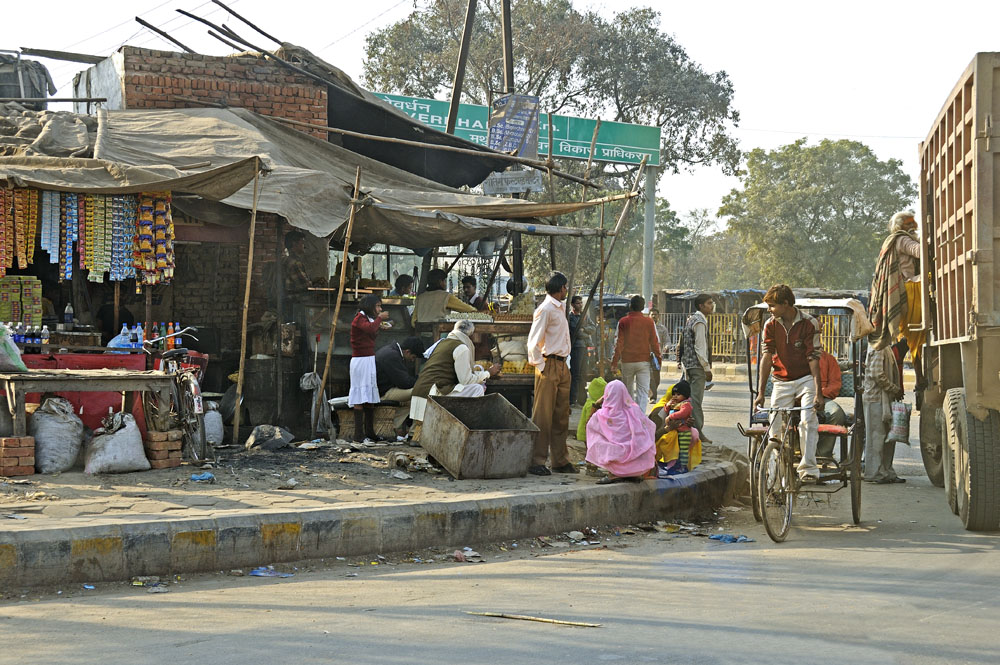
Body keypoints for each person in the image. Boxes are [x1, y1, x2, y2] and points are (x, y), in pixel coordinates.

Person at [753, 284, 824, 483]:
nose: (769, 310)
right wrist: (760, 393)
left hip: (805, 379)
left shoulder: (809, 323)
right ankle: (775, 476)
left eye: (773, 305)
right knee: (775, 429)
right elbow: (767, 356)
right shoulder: (770, 325)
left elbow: (814, 358)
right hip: (781, 381)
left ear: (786, 304)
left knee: (808, 420)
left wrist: (818, 392)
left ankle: (808, 469)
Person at [526, 271, 575, 476]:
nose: (566, 290)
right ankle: (537, 460)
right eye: (564, 287)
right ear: (560, 288)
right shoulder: (545, 309)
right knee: (543, 416)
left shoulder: (559, 307)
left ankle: (559, 460)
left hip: (562, 365)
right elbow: (533, 342)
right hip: (549, 364)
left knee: (561, 416)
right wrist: (542, 365)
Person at [869, 209, 926, 384]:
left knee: (910, 338)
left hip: (903, 292)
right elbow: (919, 252)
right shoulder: (902, 239)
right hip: (909, 290)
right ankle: (919, 376)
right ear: (900, 226)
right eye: (909, 224)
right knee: (915, 336)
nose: (913, 226)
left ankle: (918, 376)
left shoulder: (892, 241)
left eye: (913, 223)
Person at [409, 319, 500, 424]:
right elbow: (466, 380)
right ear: (470, 336)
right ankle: (466, 424)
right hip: (434, 392)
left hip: (420, 390)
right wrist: (488, 373)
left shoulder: (441, 343)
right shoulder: (461, 347)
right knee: (477, 389)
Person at [585, 380, 656, 484]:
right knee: (645, 438)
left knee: (595, 437)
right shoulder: (635, 410)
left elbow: (588, 425)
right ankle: (632, 472)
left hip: (615, 454)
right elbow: (649, 427)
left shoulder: (601, 415)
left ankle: (615, 473)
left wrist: (596, 405)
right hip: (636, 453)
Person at [862, 338, 908, 484]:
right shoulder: (878, 347)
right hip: (876, 398)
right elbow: (877, 374)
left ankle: (887, 471)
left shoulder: (885, 346)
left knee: (888, 437)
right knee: (877, 436)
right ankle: (875, 472)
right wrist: (893, 388)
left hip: (885, 398)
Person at [349, 294, 390, 443]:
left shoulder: (367, 319)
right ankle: (358, 434)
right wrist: (380, 319)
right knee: (360, 396)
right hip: (360, 361)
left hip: (368, 359)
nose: (380, 309)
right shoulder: (359, 318)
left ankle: (370, 432)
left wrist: (378, 325)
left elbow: (370, 332)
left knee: (369, 396)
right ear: (370, 306)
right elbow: (368, 328)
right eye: (378, 306)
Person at [610, 295, 661, 407]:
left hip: (627, 362)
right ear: (643, 308)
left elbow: (618, 343)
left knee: (627, 392)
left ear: (630, 306)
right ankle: (640, 418)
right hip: (644, 362)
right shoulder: (649, 322)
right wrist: (658, 360)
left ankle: (629, 416)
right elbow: (655, 343)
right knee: (642, 393)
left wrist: (614, 362)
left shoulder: (623, 321)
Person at [678, 294, 715, 443]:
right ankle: (698, 433)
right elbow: (700, 347)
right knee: (696, 402)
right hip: (697, 366)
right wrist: (706, 368)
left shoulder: (691, 319)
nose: (712, 306)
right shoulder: (699, 322)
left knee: (690, 400)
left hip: (688, 365)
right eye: (709, 303)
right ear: (701, 306)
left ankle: (691, 431)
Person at [375, 336, 425, 438]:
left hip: (382, 389)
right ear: (407, 351)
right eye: (413, 357)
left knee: (411, 402)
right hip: (383, 392)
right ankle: (414, 434)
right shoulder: (392, 356)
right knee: (421, 392)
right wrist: (422, 380)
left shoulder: (391, 351)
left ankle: (389, 426)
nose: (412, 360)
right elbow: (404, 383)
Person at [653, 380, 702, 476]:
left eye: (678, 394)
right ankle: (664, 461)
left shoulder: (683, 405)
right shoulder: (659, 410)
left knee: (691, 438)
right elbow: (653, 435)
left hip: (682, 431)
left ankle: (682, 465)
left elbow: (685, 414)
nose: (675, 397)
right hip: (662, 436)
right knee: (671, 436)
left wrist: (688, 421)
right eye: (673, 394)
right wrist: (667, 428)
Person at [411, 268, 477, 325]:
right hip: (439, 335)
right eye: (444, 281)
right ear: (440, 282)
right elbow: (467, 309)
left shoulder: (420, 297)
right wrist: (477, 311)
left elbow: (413, 321)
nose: (445, 284)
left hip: (421, 334)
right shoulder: (446, 297)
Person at [816, 350, 847, 458]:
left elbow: (835, 385)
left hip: (822, 398)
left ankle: (823, 453)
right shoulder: (797, 356)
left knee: (836, 412)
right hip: (801, 398)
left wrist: (820, 394)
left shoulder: (828, 359)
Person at [568, 295, 594, 405]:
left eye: (580, 303)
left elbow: (593, 328)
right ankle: (573, 400)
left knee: (583, 374)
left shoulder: (585, 316)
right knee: (576, 374)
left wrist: (584, 330)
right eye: (578, 303)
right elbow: (576, 332)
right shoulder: (570, 317)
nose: (580, 305)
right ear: (573, 305)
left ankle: (582, 400)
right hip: (576, 347)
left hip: (584, 347)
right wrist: (585, 333)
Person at [283, 231, 313, 302]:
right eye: (302, 243)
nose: (304, 246)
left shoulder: (284, 260)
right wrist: (314, 283)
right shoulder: (295, 263)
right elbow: (305, 286)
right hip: (294, 302)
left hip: (285, 300)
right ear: (294, 244)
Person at [575, 376, 607, 443]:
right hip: (586, 433)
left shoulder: (589, 401)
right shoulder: (592, 404)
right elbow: (589, 420)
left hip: (586, 432)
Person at [649, 308, 668, 400]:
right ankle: (652, 396)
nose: (653, 316)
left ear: (658, 316)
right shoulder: (646, 327)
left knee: (656, 378)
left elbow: (667, 341)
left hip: (657, 356)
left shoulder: (662, 328)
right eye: (652, 314)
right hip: (647, 355)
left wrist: (666, 347)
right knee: (650, 375)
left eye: (655, 314)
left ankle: (652, 391)